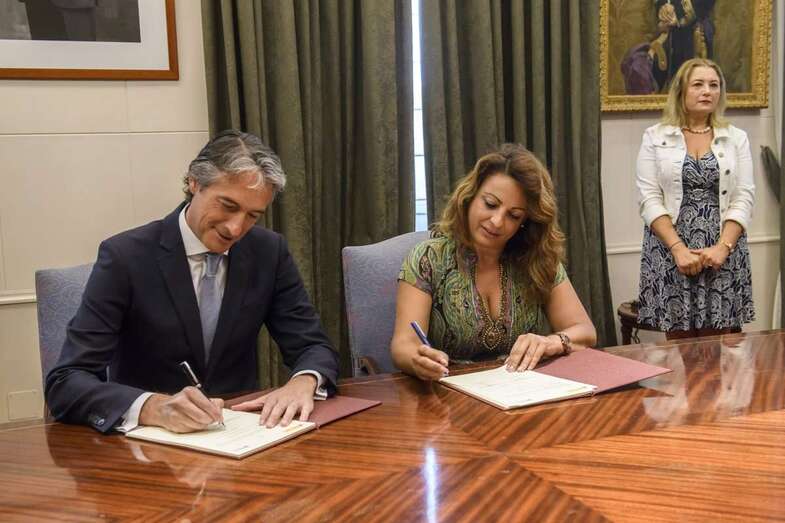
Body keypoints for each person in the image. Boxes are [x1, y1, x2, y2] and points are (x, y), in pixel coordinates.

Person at [45, 130, 339, 433]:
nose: (236, 228)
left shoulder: (268, 252)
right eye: (227, 205)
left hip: (239, 437)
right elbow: (66, 382)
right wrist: (152, 407)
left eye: (253, 215)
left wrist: (304, 381)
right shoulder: (126, 257)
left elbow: (313, 346)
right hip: (147, 447)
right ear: (193, 182)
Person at [390, 144, 597, 380]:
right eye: (490, 204)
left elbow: (585, 332)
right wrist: (418, 360)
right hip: (448, 397)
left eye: (514, 215)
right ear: (469, 197)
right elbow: (403, 345)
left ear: (525, 222)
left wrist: (552, 342)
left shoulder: (537, 259)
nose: (497, 221)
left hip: (524, 396)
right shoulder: (428, 258)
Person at [636, 58, 755, 340]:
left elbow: (744, 196)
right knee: (680, 351)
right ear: (681, 91)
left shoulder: (736, 138)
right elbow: (648, 197)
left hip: (722, 251)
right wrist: (678, 249)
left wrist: (723, 248)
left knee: (719, 349)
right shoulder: (655, 136)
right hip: (671, 249)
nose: (707, 91)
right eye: (698, 84)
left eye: (714, 85)